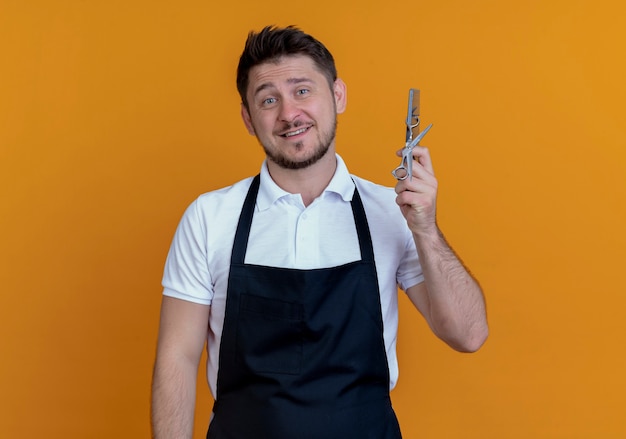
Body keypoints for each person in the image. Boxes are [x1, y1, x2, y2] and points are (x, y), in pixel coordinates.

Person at [151, 25, 488, 439]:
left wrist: (426, 230)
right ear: (248, 119)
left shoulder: (391, 211)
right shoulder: (209, 218)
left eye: (302, 90)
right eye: (268, 99)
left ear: (338, 96)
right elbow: (178, 358)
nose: (289, 113)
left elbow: (468, 335)